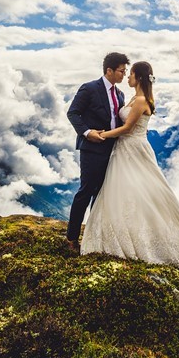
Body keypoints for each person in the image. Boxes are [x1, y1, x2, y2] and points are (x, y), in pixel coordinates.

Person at [80, 61, 179, 267]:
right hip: (125, 149)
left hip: (133, 148)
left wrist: (100, 135)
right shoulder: (133, 97)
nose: (127, 77)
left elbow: (127, 129)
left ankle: (143, 238)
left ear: (139, 78)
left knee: (140, 191)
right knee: (126, 191)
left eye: (130, 74)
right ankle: (127, 230)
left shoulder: (140, 100)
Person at [65, 52, 129, 254]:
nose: (123, 75)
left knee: (101, 195)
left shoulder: (120, 95)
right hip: (92, 149)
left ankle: (93, 237)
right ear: (109, 70)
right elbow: (73, 112)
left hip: (112, 150)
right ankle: (72, 238)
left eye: (125, 71)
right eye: (121, 71)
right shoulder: (90, 88)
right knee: (85, 191)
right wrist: (86, 132)